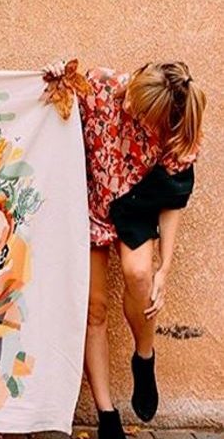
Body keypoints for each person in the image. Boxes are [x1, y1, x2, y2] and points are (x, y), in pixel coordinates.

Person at [44, 60, 205, 439]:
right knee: (94, 307)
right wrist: (54, 75)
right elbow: (55, 99)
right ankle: (107, 416)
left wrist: (165, 267)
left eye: (140, 111)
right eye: (132, 96)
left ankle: (144, 355)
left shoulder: (174, 128)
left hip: (135, 205)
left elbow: (173, 199)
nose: (128, 107)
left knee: (140, 275)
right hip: (89, 204)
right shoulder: (100, 86)